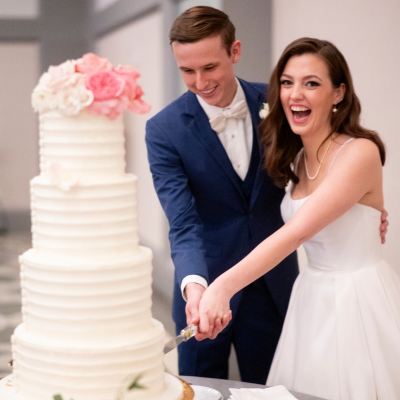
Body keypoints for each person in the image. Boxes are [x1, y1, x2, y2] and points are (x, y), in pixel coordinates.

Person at [198, 37, 400, 399]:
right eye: (288, 82)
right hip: (310, 296)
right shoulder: (294, 161)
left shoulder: (360, 153)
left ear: (338, 94)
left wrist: (223, 287)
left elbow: (294, 234)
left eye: (312, 83)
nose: (295, 94)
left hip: (356, 299)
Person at [145, 6, 300, 383]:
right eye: (187, 70)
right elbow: (183, 223)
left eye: (210, 67)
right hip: (206, 286)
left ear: (235, 51)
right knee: (200, 386)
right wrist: (195, 287)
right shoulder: (163, 130)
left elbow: (324, 156)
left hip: (273, 280)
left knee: (270, 388)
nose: (199, 81)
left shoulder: (278, 103)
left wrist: (365, 202)